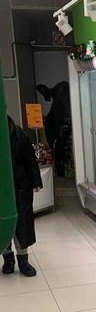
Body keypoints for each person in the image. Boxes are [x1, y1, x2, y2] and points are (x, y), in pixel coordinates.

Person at [2, 116, 42, 277]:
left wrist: (36, 181)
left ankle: (23, 260)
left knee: (22, 223)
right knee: (2, 223)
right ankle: (8, 259)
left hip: (20, 186)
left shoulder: (19, 134)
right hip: (2, 188)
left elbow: (30, 160)